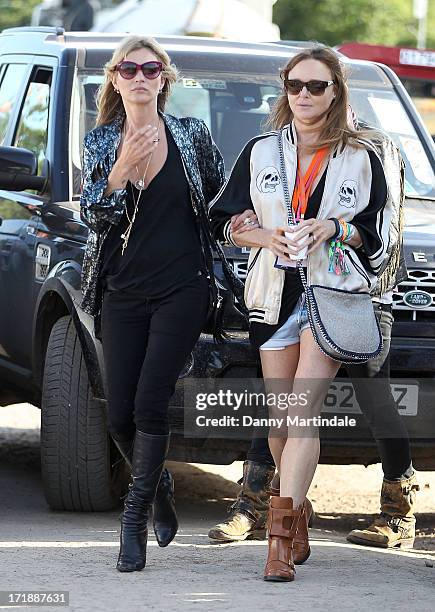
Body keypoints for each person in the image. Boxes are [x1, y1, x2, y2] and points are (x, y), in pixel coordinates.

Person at [209, 45, 403, 582]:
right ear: (285, 89)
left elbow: (376, 236)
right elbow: (224, 220)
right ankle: (297, 518)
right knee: (281, 421)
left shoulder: (361, 156)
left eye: (316, 86)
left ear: (335, 91)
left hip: (332, 295)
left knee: (302, 413)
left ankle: (276, 541)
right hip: (272, 295)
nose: (304, 95)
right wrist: (260, 235)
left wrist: (333, 227)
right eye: (295, 85)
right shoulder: (261, 149)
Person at [79, 35, 226, 573]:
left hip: (182, 288)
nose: (139, 77)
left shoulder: (191, 134)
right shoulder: (99, 143)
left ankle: (132, 519)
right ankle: (156, 480)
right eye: (128, 68)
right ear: (115, 78)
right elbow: (92, 220)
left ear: (165, 77)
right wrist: (120, 171)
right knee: (118, 415)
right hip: (122, 291)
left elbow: (219, 205)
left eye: (150, 68)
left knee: (149, 404)